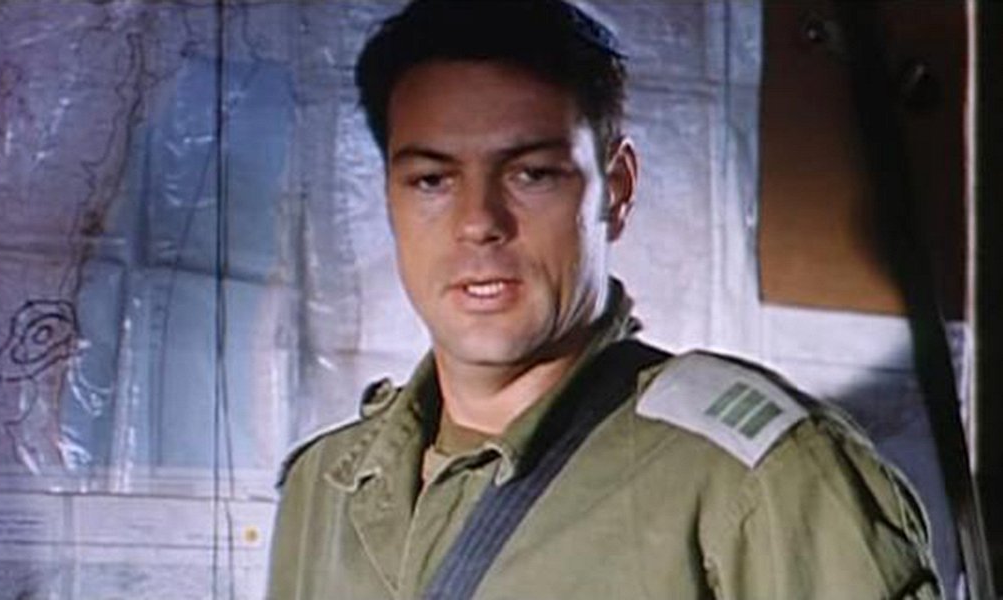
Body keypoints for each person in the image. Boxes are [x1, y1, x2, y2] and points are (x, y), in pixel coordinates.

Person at [268, 1, 941, 598]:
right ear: (388, 196)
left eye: (532, 174)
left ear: (615, 190)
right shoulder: (325, 489)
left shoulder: (757, 479)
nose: (478, 223)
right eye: (431, 181)